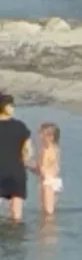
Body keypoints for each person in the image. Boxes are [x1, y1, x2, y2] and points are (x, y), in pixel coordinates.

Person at [0, 94, 31, 223]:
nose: (13, 108)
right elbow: (28, 151)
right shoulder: (21, 126)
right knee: (17, 214)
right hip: (16, 171)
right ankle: (17, 237)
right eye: (11, 105)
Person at [31, 122, 61, 217]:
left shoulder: (45, 151)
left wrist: (28, 166)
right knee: (51, 210)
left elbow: (42, 170)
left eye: (42, 134)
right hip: (55, 181)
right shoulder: (56, 149)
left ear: (50, 137)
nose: (39, 137)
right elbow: (55, 167)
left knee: (47, 212)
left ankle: (47, 229)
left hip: (47, 182)